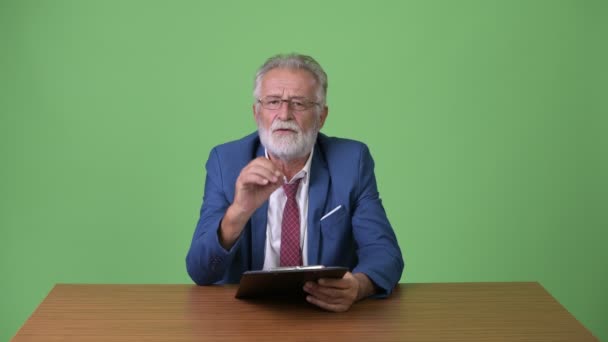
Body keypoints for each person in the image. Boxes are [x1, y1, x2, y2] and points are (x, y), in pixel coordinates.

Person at [186, 53, 403, 312]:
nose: (284, 114)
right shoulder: (226, 162)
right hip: (245, 316)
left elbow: (385, 252)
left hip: (325, 315)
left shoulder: (351, 161)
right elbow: (200, 270)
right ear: (257, 113)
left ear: (321, 116)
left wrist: (359, 286)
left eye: (299, 103)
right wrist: (238, 212)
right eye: (273, 102)